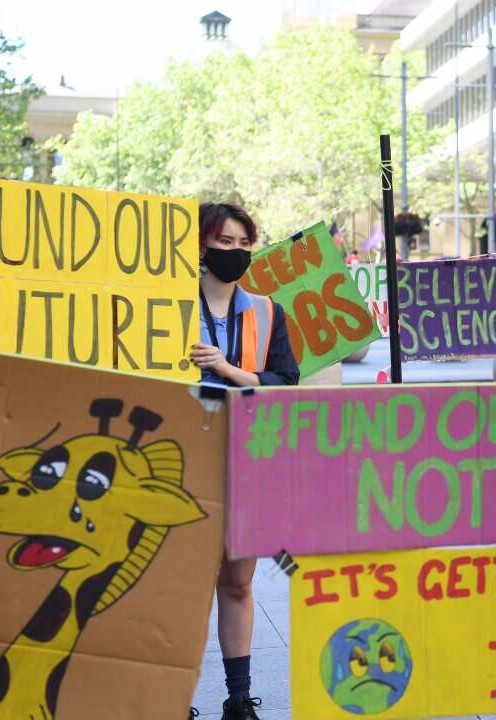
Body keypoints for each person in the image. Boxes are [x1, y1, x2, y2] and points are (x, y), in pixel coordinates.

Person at [189, 202, 300, 720]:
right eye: (224, 242)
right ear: (201, 247)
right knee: (183, 587)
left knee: (237, 583)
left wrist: (232, 371)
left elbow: (286, 383)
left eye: (242, 243)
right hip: (182, 463)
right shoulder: (167, 308)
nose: (234, 252)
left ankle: (238, 701)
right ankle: (173, 697)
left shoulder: (267, 310)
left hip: (246, 464)